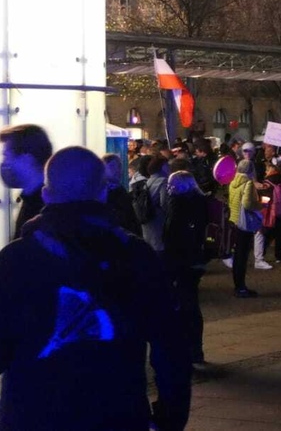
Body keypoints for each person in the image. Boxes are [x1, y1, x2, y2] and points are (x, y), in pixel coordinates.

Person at [0, 146, 191, 430]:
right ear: (103, 192)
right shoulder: (138, 256)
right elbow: (171, 346)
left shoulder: (15, 259)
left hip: (32, 414)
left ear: (46, 194)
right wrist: (169, 417)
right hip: (117, 413)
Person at [164, 170, 211, 369]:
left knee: (184, 304)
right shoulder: (201, 202)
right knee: (191, 303)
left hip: (182, 260)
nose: (168, 189)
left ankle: (186, 350)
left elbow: (171, 233)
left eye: (171, 185)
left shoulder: (179, 204)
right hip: (197, 259)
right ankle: (195, 349)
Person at [0, 123, 52, 240]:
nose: (4, 164)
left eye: (7, 156)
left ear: (27, 158)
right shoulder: (36, 199)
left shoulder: (42, 207)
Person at [228, 158, 263, 298]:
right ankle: (241, 287)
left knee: (237, 256)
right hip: (244, 224)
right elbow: (248, 204)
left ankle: (237, 285)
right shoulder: (248, 183)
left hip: (234, 221)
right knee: (242, 256)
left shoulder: (233, 182)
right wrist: (261, 205)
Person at [102, 152, 141, 235]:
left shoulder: (119, 189)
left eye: (119, 166)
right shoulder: (101, 192)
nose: (117, 170)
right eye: (112, 167)